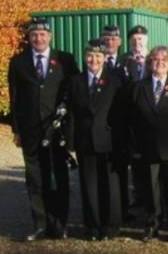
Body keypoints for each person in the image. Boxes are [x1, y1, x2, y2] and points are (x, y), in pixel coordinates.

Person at [8, 18, 79, 241]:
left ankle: (60, 225)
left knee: (59, 177)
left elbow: (73, 95)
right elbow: (15, 99)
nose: (38, 38)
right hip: (30, 130)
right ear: (29, 38)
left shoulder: (65, 60)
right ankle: (39, 224)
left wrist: (70, 131)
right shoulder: (18, 62)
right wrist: (17, 130)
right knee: (35, 179)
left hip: (56, 130)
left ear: (50, 36)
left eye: (43, 34)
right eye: (34, 35)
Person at [128, 46, 168, 242]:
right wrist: (134, 147)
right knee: (150, 190)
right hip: (146, 149)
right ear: (149, 63)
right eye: (155, 59)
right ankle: (152, 224)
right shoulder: (139, 87)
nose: (160, 62)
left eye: (164, 59)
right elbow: (131, 120)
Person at [66, 39, 126, 240]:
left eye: (98, 56)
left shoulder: (115, 80)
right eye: (90, 56)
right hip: (85, 141)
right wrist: (71, 142)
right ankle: (92, 225)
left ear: (104, 59)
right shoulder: (76, 81)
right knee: (88, 185)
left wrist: (121, 140)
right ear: (85, 57)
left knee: (110, 185)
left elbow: (121, 113)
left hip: (109, 140)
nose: (94, 60)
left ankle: (111, 225)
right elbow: (72, 113)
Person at [100, 25, 133, 223]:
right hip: (102, 124)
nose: (109, 43)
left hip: (123, 124)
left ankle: (123, 209)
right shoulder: (95, 60)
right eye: (106, 39)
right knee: (103, 170)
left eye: (113, 39)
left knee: (121, 170)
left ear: (119, 42)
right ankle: (106, 208)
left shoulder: (128, 62)